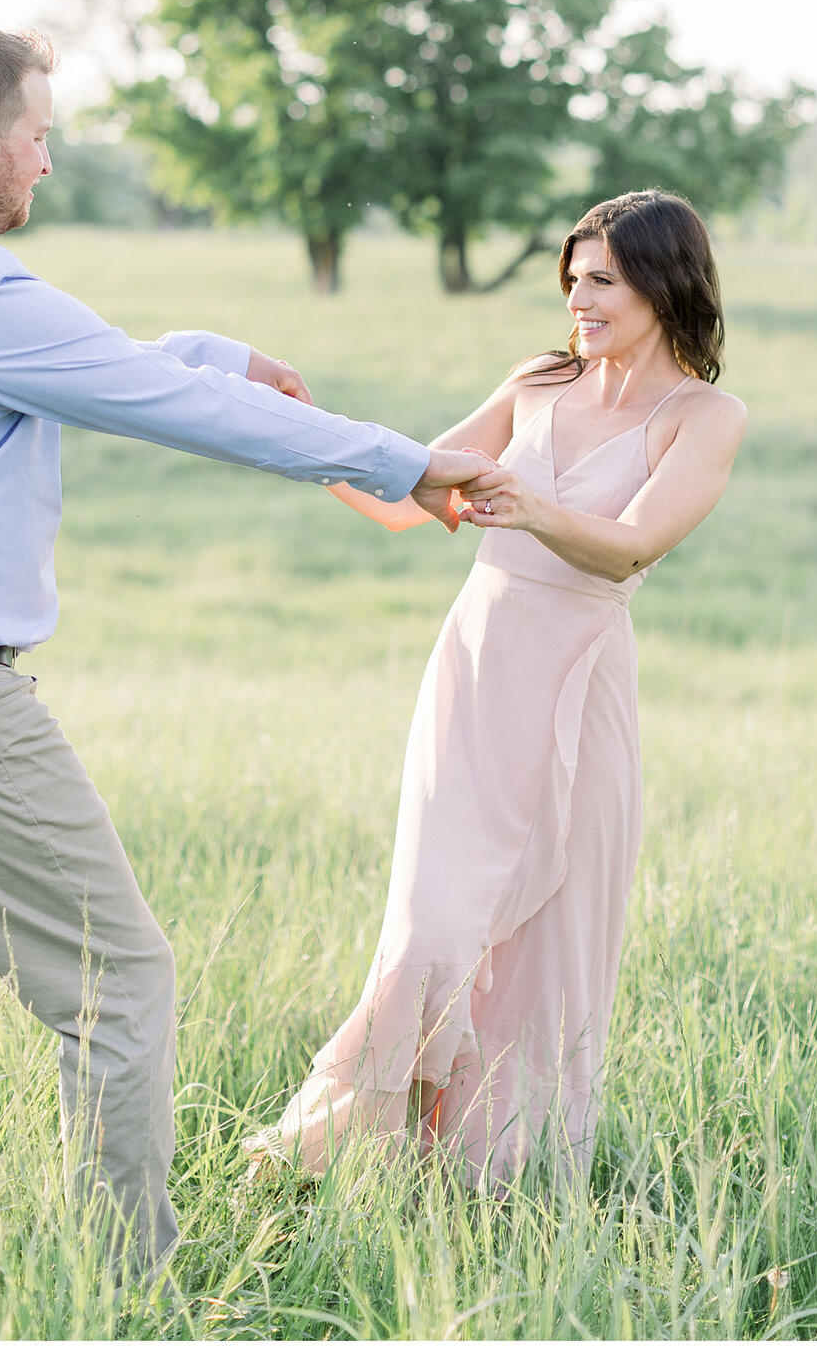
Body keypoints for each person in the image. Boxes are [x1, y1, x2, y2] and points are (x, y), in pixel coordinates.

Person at [0, 21, 508, 1271]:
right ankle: (127, 1277)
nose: (47, 165)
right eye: (41, 135)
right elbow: (154, 404)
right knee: (120, 985)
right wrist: (407, 460)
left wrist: (215, 354)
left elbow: (91, 367)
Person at [245, 191, 745, 1190]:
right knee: (432, 926)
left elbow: (634, 544)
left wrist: (531, 503)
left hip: (580, 684)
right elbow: (414, 492)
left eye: (600, 278)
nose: (577, 297)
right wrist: (304, 435)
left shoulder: (703, 414)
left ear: (662, 281)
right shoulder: (535, 382)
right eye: (572, 277)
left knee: (546, 950)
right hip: (476, 673)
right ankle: (338, 1150)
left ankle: (493, 1178)